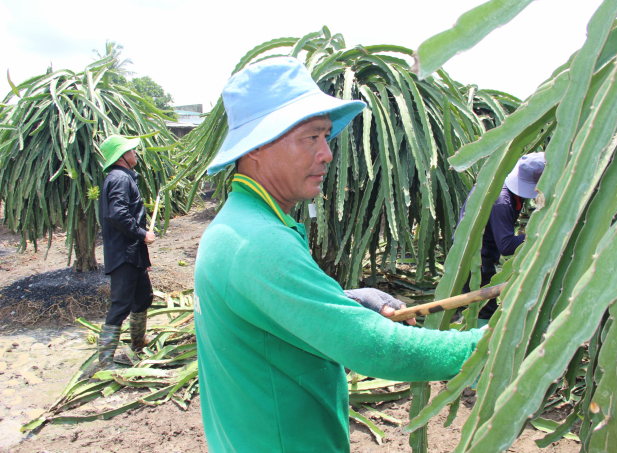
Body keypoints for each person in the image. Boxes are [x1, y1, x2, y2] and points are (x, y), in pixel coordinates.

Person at [194, 57, 484, 453]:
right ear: (258, 147)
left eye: (325, 137)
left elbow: (269, 320)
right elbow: (373, 348)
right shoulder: (260, 243)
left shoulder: (240, 224)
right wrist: (488, 344)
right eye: (310, 138)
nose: (327, 154)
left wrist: (345, 301)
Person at [459, 152, 546, 321]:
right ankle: (478, 345)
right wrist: (541, 233)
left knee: (481, 306)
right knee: (483, 309)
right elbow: (505, 246)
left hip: (481, 252)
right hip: (475, 257)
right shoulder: (501, 201)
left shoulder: (507, 188)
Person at [95, 135, 156, 373]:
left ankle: (138, 341)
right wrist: (143, 234)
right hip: (124, 253)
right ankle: (105, 361)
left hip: (132, 253)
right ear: (122, 157)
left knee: (144, 297)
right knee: (120, 304)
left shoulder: (123, 177)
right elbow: (118, 214)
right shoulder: (119, 178)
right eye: (131, 150)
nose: (135, 153)